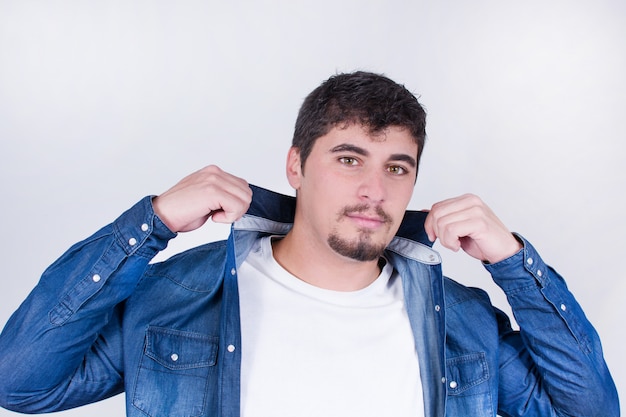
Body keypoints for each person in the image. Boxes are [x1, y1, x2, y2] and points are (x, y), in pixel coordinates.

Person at [0, 71, 618, 417]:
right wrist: (152, 222)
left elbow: (588, 412)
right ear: (296, 166)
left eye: (398, 168)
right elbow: (20, 381)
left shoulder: (459, 321)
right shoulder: (180, 297)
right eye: (350, 160)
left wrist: (513, 263)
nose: (375, 191)